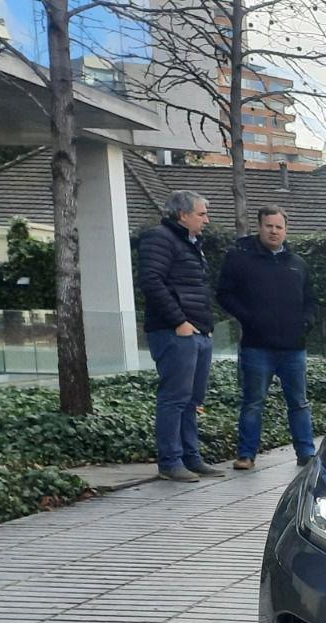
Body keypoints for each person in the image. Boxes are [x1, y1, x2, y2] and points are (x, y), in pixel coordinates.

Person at [216, 205, 319, 470]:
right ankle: (246, 455)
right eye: (269, 226)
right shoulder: (242, 260)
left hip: (293, 348)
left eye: (279, 227)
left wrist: (307, 322)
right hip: (256, 346)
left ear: (286, 230)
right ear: (259, 227)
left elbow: (312, 301)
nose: (274, 231)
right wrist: (248, 318)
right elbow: (224, 294)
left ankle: (306, 453)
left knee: (299, 402)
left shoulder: (298, 264)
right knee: (253, 402)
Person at [139, 190, 220, 482]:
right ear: (182, 214)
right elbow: (151, 281)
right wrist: (179, 322)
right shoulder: (159, 238)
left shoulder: (191, 243)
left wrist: (203, 326)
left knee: (191, 399)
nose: (206, 220)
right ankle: (170, 461)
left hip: (198, 331)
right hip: (175, 332)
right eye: (202, 214)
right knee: (174, 398)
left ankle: (191, 457)